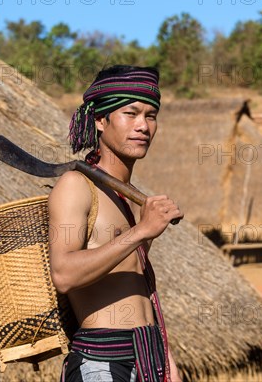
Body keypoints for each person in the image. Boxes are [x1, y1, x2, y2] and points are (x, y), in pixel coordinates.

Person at [48, 65, 183, 382]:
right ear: (99, 120)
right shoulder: (76, 186)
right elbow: (63, 275)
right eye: (130, 113)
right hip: (102, 360)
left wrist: (169, 364)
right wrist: (141, 231)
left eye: (151, 116)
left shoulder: (134, 199)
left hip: (149, 356)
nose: (143, 126)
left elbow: (141, 288)